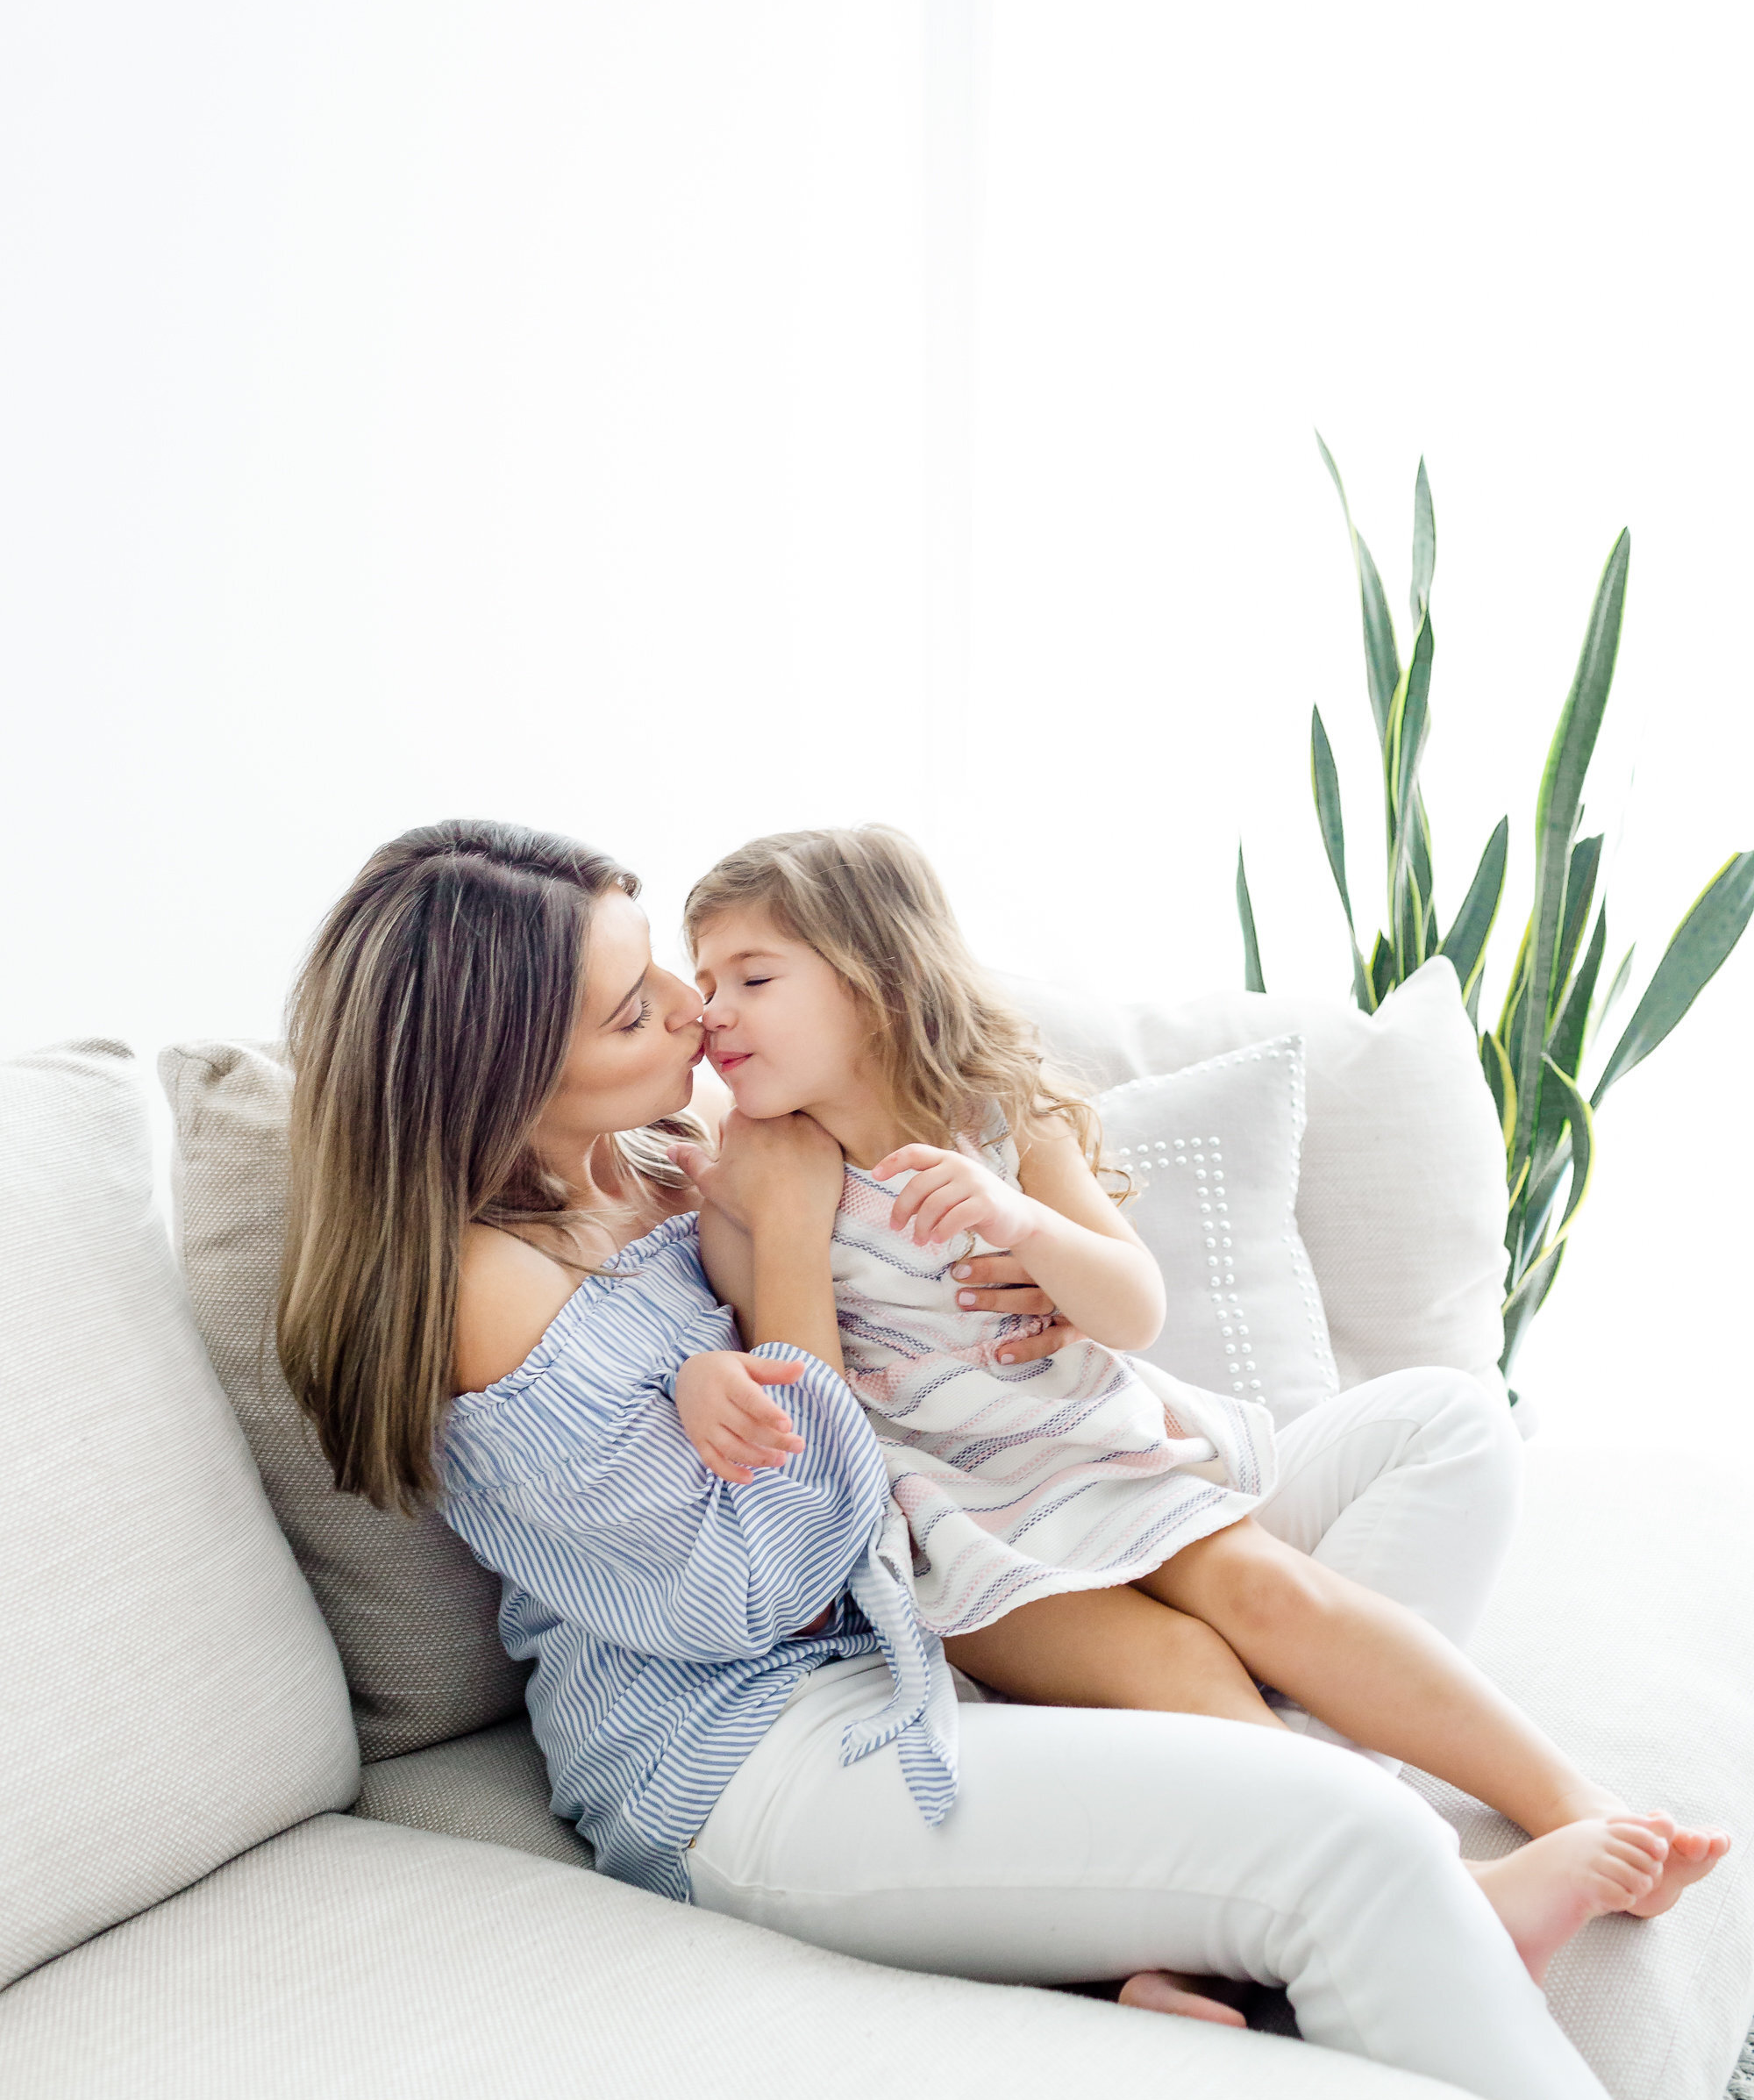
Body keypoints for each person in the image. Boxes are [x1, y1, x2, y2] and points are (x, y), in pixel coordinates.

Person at [278, 818, 1721, 2100]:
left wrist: (1023, 1292)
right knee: (1345, 1839)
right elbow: (762, 1584)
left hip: (946, 1578)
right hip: (754, 1742)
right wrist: (787, 1243)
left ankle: (1179, 1898)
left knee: (1439, 1427)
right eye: (638, 1006)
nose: (690, 1014)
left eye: (675, 977)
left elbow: (925, 1173)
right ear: (499, 1065)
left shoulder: (636, 1158)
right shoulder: (486, 1290)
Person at [674, 823, 1726, 1992]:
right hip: (963, 1538)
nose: (711, 1008)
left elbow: (1131, 1308)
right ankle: (1434, 1892)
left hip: (1105, 1459)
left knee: (1274, 1591)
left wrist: (1018, 1221)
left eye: (751, 978)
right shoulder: (755, 1179)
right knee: (1174, 1663)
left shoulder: (1001, 1118)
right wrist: (788, 1216)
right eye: (703, 979)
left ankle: (1574, 1800)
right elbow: (811, 1428)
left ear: (877, 980)